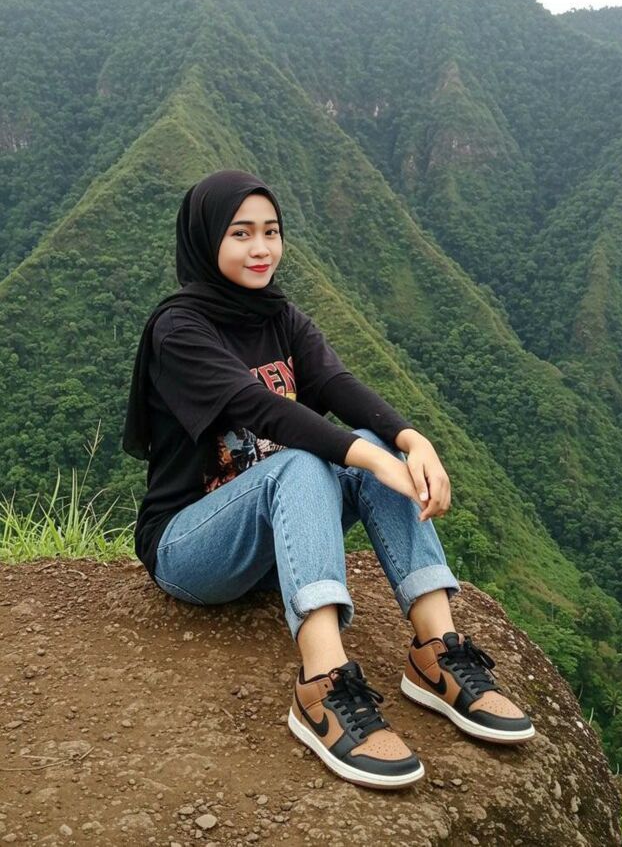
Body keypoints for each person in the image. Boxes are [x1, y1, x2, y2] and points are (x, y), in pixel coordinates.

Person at [122, 169, 535, 791]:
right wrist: (371, 458)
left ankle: (437, 650)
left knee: (366, 444)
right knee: (310, 458)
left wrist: (409, 440)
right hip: (190, 547)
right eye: (241, 233)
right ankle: (322, 683)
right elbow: (260, 408)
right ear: (206, 240)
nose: (261, 248)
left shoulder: (280, 316)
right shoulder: (179, 329)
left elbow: (337, 385)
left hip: (274, 544)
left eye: (271, 232)